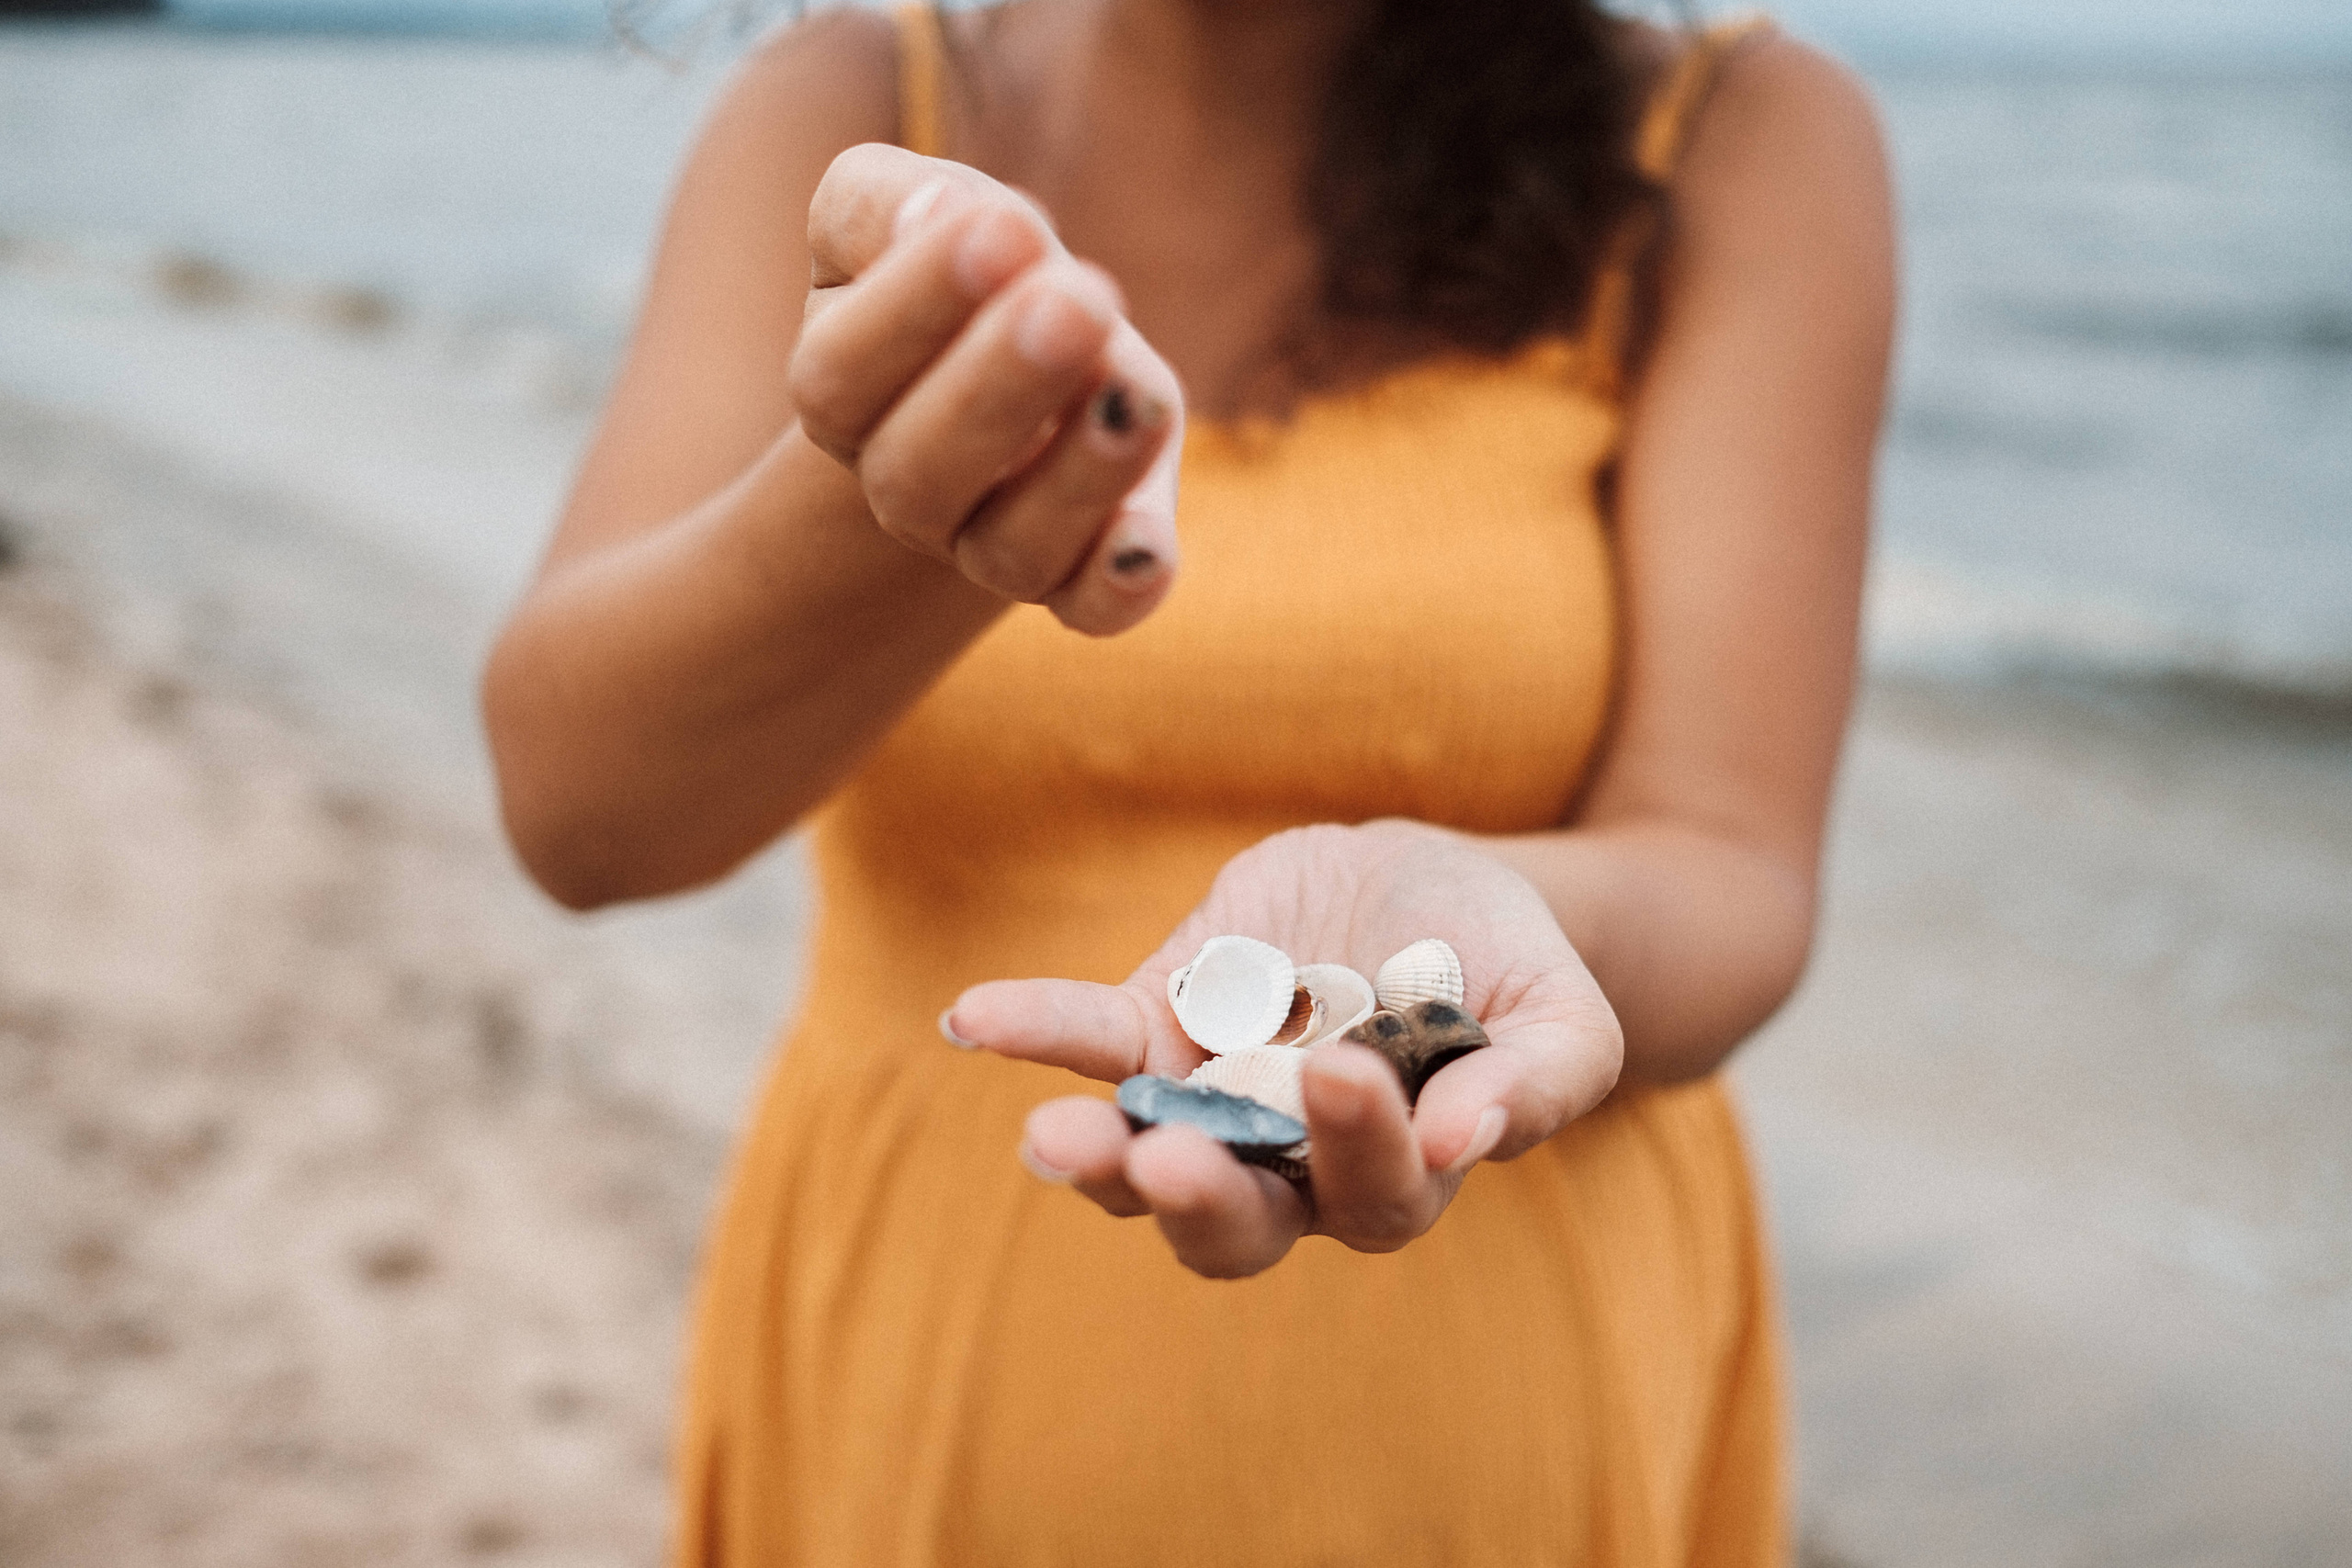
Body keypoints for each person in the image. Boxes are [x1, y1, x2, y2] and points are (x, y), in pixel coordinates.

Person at [482, 0, 1893, 1559]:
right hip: (923, 1349)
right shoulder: (848, 103)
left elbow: (1733, 864)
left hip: (1503, 1397)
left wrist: (1485, 939)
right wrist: (922, 477)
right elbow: (581, 816)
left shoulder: (1737, 137)